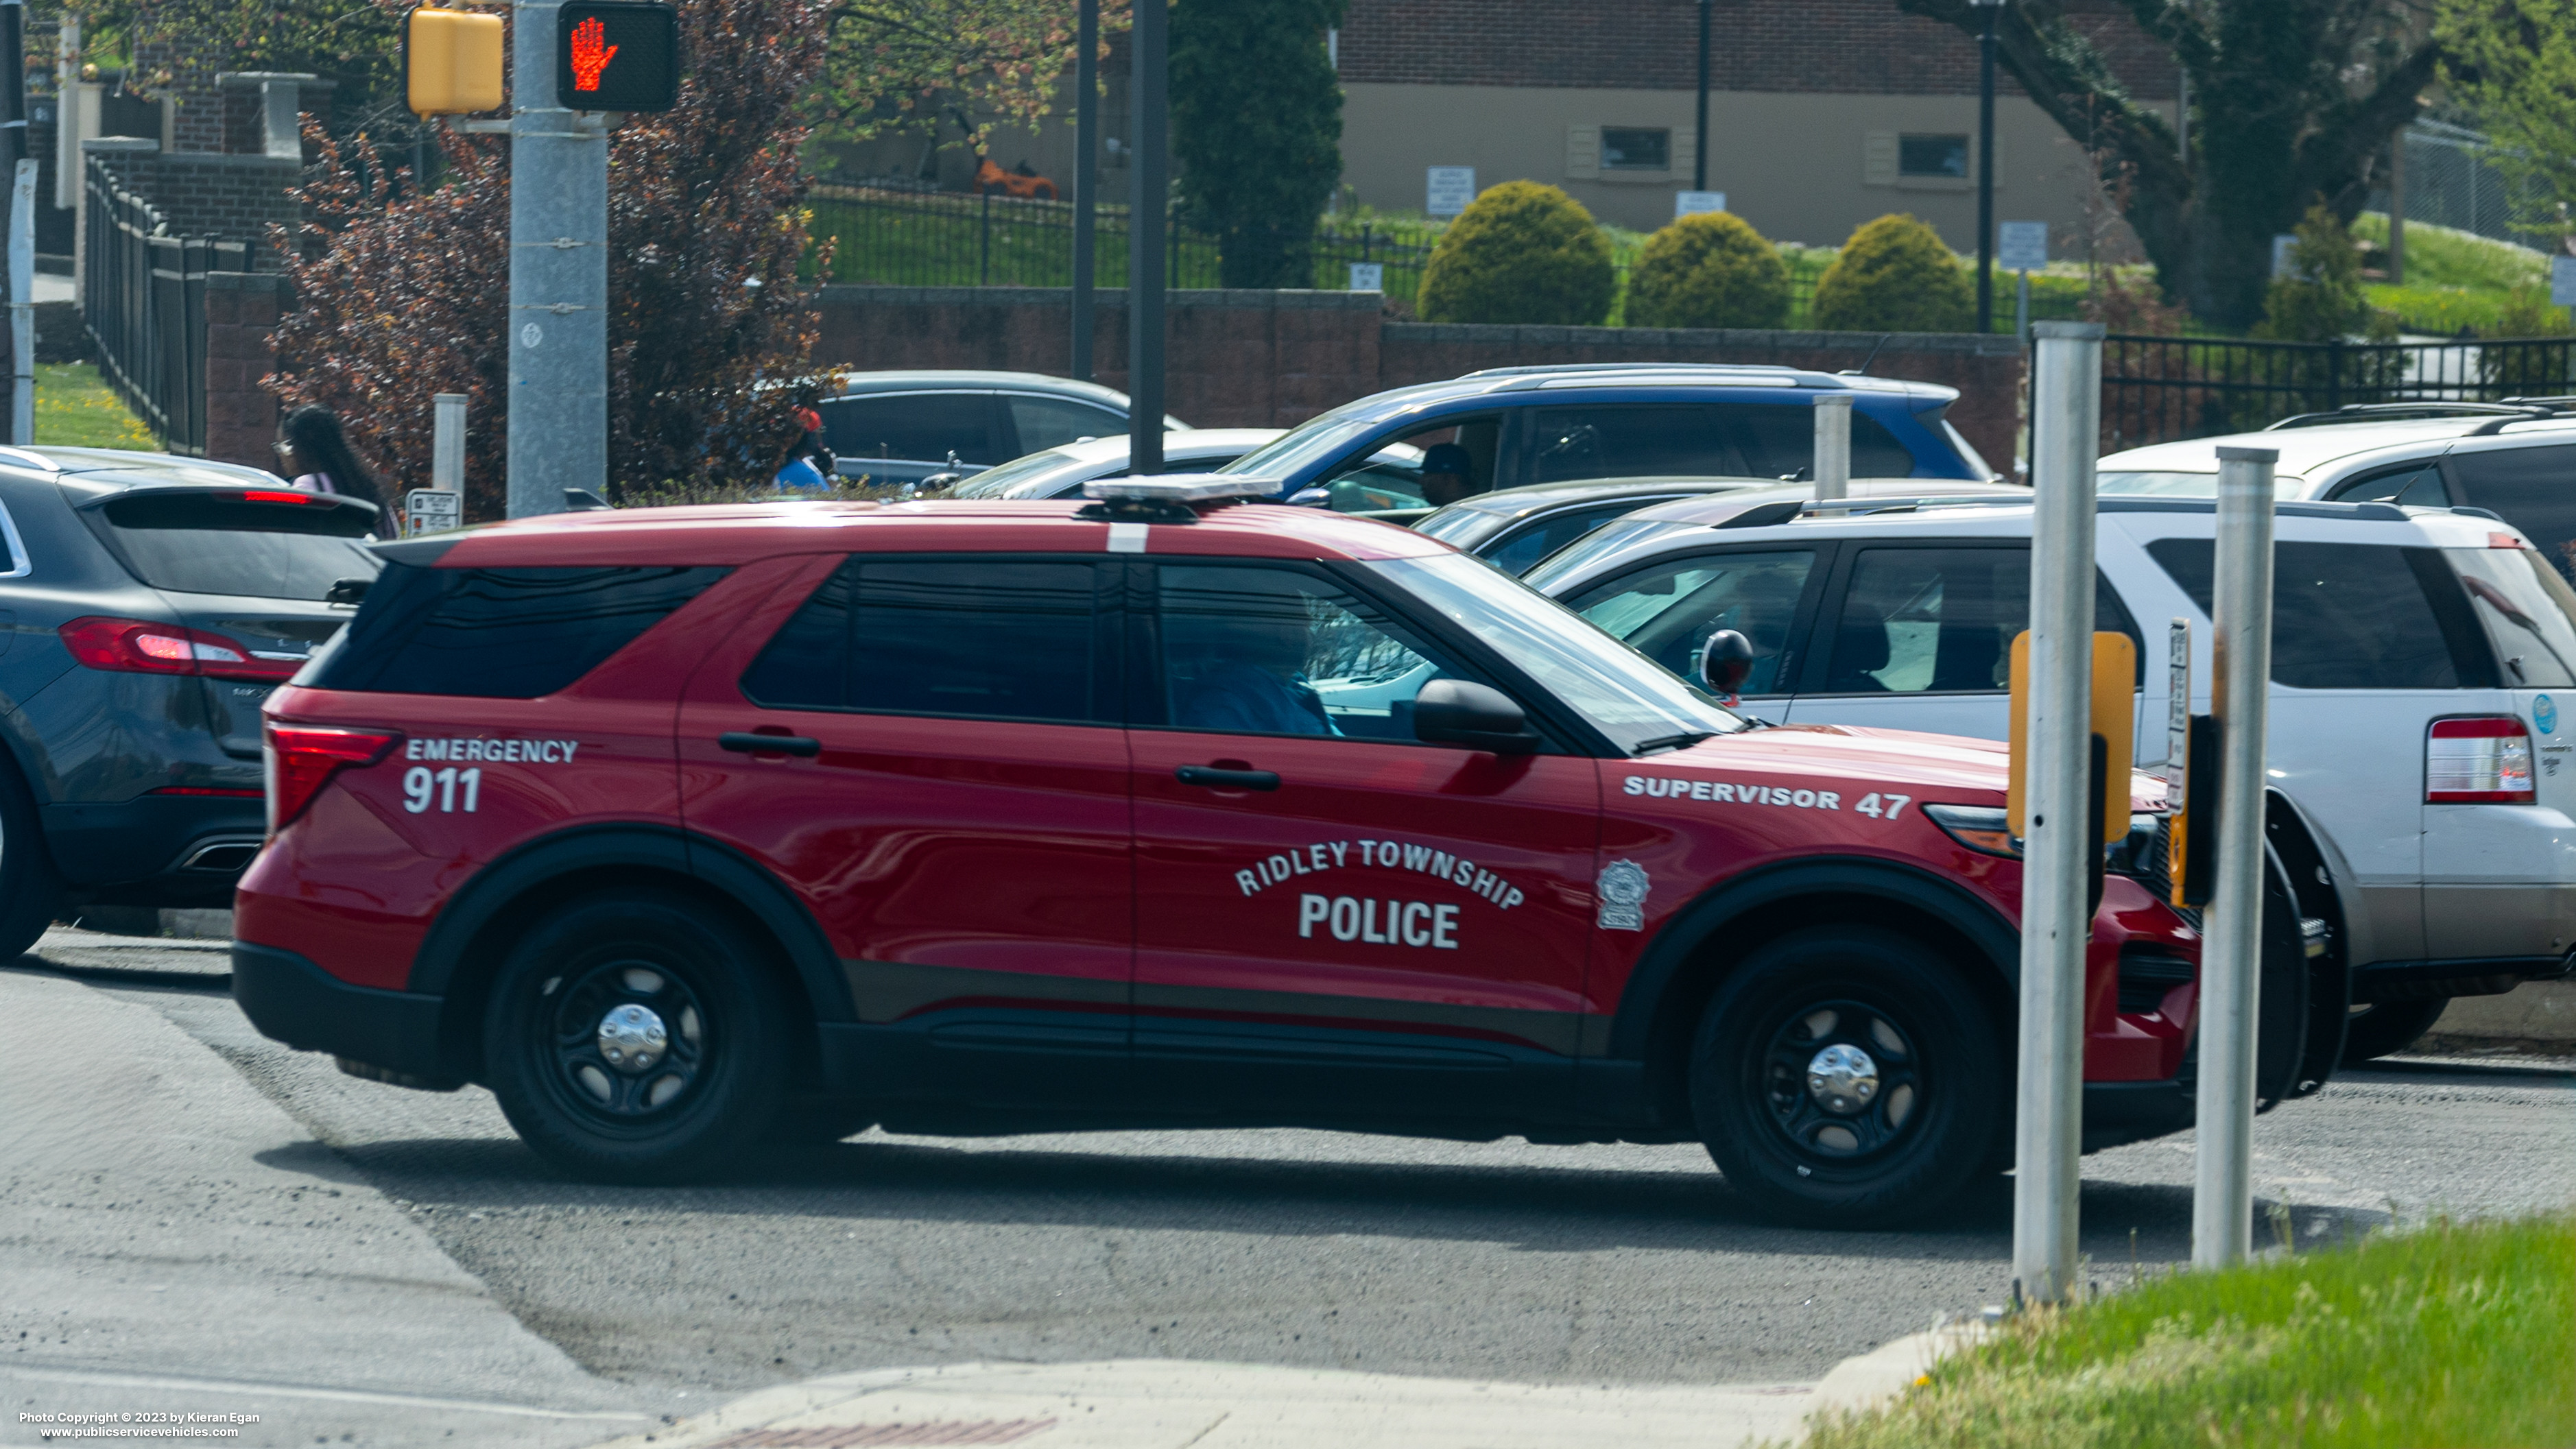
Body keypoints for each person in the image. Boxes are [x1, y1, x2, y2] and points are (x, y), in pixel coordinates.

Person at [272, 405, 385, 508]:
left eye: (286, 445)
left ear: (303, 447)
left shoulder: (308, 486)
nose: (284, 456)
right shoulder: (369, 489)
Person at [776, 387, 835, 494]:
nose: (820, 442)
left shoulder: (777, 468)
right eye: (817, 434)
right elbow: (829, 499)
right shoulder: (806, 473)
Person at [1417, 442, 1482, 507]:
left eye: (1428, 475)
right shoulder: (1467, 508)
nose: (1421, 481)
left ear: (1450, 478)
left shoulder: (1475, 510)